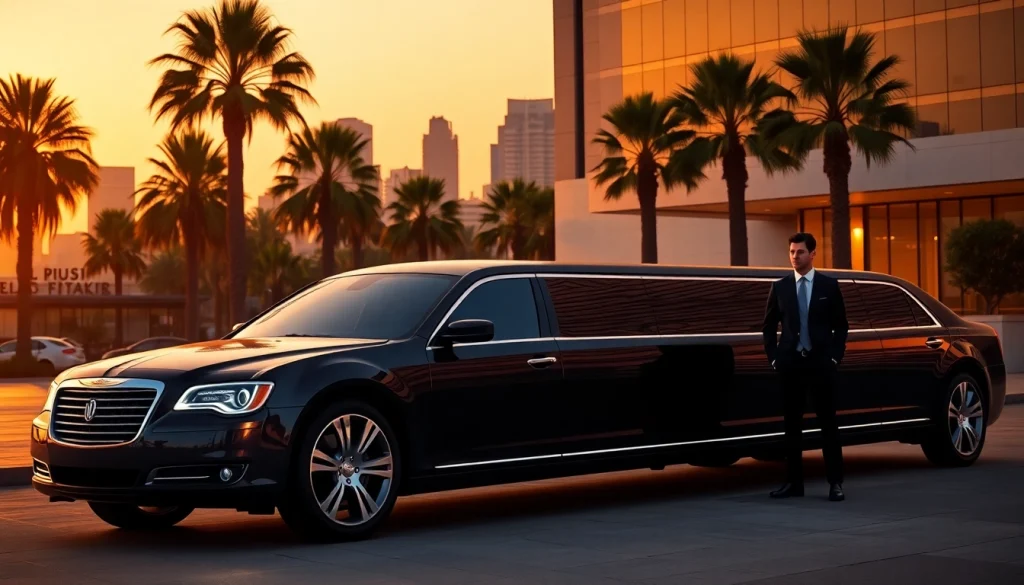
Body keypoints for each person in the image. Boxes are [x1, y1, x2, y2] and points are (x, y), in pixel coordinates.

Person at [762, 232, 849, 502]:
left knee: (828, 425)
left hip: (821, 363)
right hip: (791, 365)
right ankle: (793, 483)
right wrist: (775, 358)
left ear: (812, 254)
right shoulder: (780, 287)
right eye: (791, 252)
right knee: (792, 426)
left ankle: (835, 483)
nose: (794, 256)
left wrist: (834, 357)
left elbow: (841, 326)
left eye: (800, 252)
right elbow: (768, 327)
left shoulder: (828, 286)